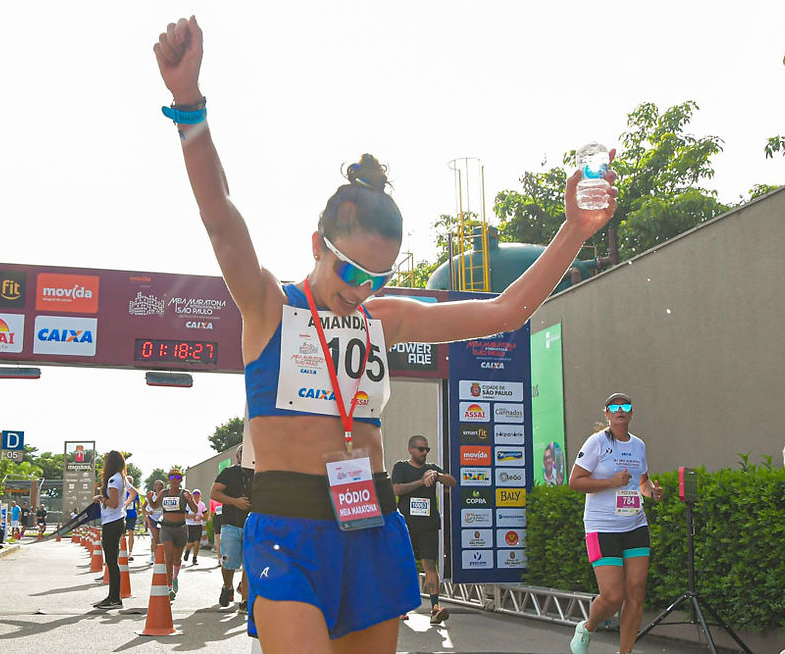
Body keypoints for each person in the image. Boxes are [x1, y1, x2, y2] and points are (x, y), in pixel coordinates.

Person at [153, 15, 617, 651]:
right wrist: (188, 106)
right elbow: (219, 217)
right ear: (316, 243)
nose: (360, 287)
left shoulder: (384, 318)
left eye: (377, 275)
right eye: (348, 268)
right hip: (287, 529)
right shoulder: (268, 305)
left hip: (370, 522)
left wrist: (573, 233)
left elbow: (504, 313)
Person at [568, 393, 664, 654]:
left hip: (635, 525)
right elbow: (575, 482)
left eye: (626, 406)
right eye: (614, 407)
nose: (620, 410)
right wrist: (611, 483)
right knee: (612, 596)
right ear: (607, 414)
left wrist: (651, 491)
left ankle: (626, 652)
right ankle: (587, 628)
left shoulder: (639, 446)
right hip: (602, 527)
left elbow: (641, 482)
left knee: (636, 592)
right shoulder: (597, 443)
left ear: (632, 413)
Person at [392, 435, 456, 624]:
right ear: (411, 449)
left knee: (429, 565)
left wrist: (437, 476)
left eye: (427, 449)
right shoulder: (401, 467)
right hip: (407, 525)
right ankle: (401, 608)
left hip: (428, 526)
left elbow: (452, 481)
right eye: (421, 449)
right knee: (404, 565)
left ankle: (435, 608)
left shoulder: (432, 469)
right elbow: (396, 490)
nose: (424, 453)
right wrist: (420, 482)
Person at [210, 446, 252, 611]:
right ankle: (228, 587)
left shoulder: (260, 472)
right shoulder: (228, 472)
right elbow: (214, 493)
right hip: (231, 524)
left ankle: (246, 600)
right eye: (242, 452)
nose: (245, 455)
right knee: (229, 562)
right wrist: (236, 502)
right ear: (238, 456)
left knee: (248, 564)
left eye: (249, 452)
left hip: (251, 524)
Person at [148, 467, 197, 600]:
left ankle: (174, 578)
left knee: (176, 559)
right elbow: (154, 505)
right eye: (172, 477)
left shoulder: (184, 493)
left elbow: (195, 509)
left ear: (181, 479)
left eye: (177, 477)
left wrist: (190, 500)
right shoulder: (164, 493)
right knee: (168, 558)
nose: (174, 480)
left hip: (180, 529)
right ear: (168, 479)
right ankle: (169, 586)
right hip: (166, 528)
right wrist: (149, 500)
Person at [92, 450, 128, 610]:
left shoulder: (114, 479)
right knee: (112, 561)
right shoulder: (121, 478)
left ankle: (114, 598)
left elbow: (113, 503)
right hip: (116, 520)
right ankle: (113, 597)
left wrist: (101, 498)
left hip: (112, 522)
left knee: (112, 561)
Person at [184, 488, 208, 565]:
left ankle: (194, 559)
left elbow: (205, 516)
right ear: (192, 496)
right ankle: (187, 552)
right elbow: (185, 516)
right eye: (195, 496)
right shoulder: (188, 504)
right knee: (190, 542)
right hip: (190, 525)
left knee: (197, 542)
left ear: (200, 496)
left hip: (198, 525)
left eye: (198, 496)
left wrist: (200, 517)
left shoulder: (202, 504)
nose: (196, 497)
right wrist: (192, 516)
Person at [145, 479, 165, 564]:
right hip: (152, 519)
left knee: (160, 539)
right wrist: (146, 513)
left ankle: (160, 556)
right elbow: (143, 507)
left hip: (162, 519)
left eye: (160, 485)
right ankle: (153, 556)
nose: (158, 486)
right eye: (157, 485)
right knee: (154, 539)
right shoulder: (151, 495)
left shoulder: (165, 495)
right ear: (154, 486)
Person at [124, 475, 139, 559]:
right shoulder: (122, 491)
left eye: (130, 481)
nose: (129, 482)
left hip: (132, 515)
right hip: (122, 515)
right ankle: (122, 551)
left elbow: (138, 502)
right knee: (122, 535)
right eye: (127, 481)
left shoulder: (134, 491)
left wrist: (139, 508)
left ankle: (130, 553)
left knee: (131, 533)